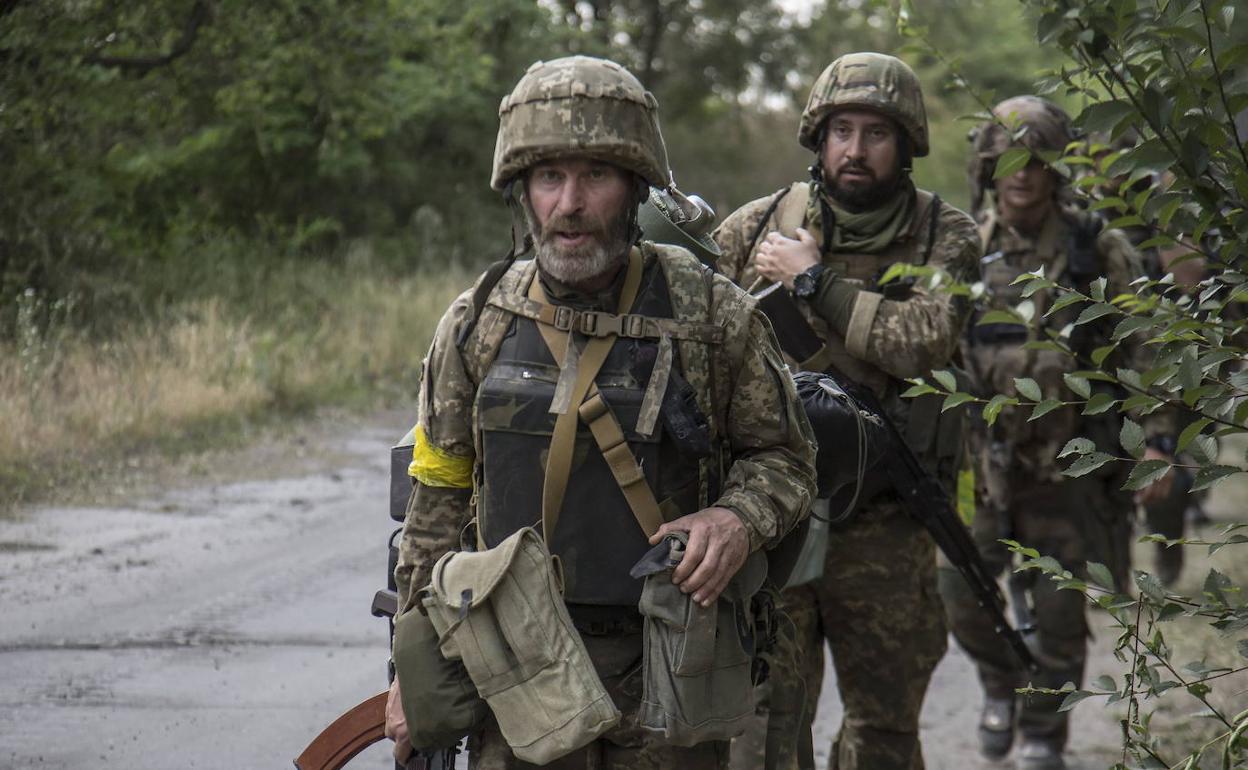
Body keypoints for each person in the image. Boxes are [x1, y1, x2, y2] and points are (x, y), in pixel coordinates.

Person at [384, 55, 818, 769]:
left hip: (669, 671)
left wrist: (735, 519)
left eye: (595, 176)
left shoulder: (711, 314)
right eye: (550, 177)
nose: (569, 203)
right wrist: (411, 667)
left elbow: (788, 459)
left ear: (635, 186)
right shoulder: (478, 322)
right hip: (515, 671)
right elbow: (436, 498)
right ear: (522, 191)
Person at [713, 52, 981, 770]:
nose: (855, 150)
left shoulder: (942, 237)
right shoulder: (758, 227)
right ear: (817, 138)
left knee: (885, 728)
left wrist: (813, 283)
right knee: (764, 726)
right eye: (841, 131)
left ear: (906, 144)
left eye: (875, 134)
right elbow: (696, 336)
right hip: (777, 517)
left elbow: (924, 340)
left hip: (887, 524)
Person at [944, 95, 1173, 770]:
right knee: (959, 596)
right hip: (977, 471)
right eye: (1009, 158)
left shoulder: (1095, 246)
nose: (1022, 173)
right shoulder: (964, 248)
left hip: (1070, 468)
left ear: (1056, 169)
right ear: (989, 165)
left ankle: (1043, 733)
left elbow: (1146, 349)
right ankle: (999, 685)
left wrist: (1156, 440)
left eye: (1038, 159)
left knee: (1061, 614)